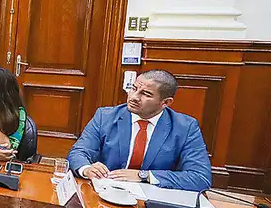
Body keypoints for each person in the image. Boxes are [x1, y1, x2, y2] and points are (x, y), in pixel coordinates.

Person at [67, 69, 212, 192]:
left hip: (154, 200)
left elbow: (200, 178)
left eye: (146, 94)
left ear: (166, 103)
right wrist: (86, 169)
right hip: (105, 194)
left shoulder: (185, 127)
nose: (134, 97)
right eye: (133, 88)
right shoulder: (105, 116)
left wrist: (144, 176)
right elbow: (78, 153)